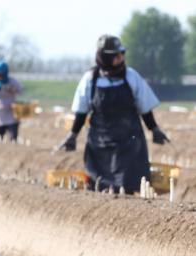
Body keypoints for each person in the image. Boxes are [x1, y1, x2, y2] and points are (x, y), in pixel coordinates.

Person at [57, 34, 169, 193]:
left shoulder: (131, 76)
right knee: (100, 185)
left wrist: (154, 129)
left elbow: (144, 108)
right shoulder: (90, 79)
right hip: (100, 143)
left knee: (128, 184)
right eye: (115, 55)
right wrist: (73, 135)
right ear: (104, 57)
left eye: (122, 54)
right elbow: (81, 112)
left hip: (129, 141)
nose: (120, 58)